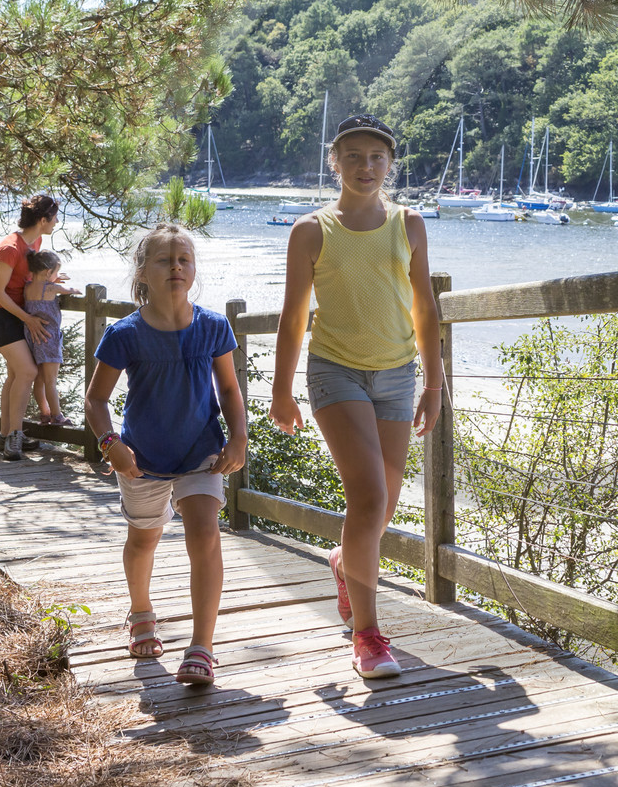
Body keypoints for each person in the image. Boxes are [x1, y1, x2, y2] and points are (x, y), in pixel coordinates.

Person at [271, 113, 445, 679]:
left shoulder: (409, 224)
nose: (365, 167)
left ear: (390, 164)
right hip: (336, 372)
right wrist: (281, 390)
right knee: (368, 498)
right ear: (335, 163)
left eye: (376, 157)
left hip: (397, 375)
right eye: (353, 157)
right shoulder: (312, 230)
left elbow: (424, 307)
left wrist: (434, 383)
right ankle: (367, 636)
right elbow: (294, 316)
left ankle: (345, 563)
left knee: (383, 503)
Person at [84, 225, 248, 687]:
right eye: (164, 260)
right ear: (142, 272)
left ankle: (202, 647)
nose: (176, 267)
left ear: (193, 270)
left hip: (201, 452)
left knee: (206, 534)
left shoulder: (213, 326)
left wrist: (238, 437)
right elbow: (95, 400)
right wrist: (111, 444)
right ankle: (141, 612)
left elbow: (229, 389)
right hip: (142, 458)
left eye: (184, 260)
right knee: (143, 539)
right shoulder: (125, 334)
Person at [0, 193, 59, 461]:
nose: (56, 223)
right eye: (54, 218)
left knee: (16, 375)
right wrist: (27, 319)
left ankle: (6, 435)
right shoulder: (10, 249)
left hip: (17, 315)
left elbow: (28, 277)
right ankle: (15, 435)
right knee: (27, 371)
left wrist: (49, 281)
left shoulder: (35, 242)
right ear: (42, 220)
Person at [23, 249, 80, 426]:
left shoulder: (27, 287)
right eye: (56, 272)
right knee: (51, 381)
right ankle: (57, 415)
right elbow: (71, 290)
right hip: (49, 337)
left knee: (40, 380)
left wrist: (54, 278)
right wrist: (73, 289)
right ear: (48, 272)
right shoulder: (51, 288)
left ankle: (45, 413)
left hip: (33, 337)